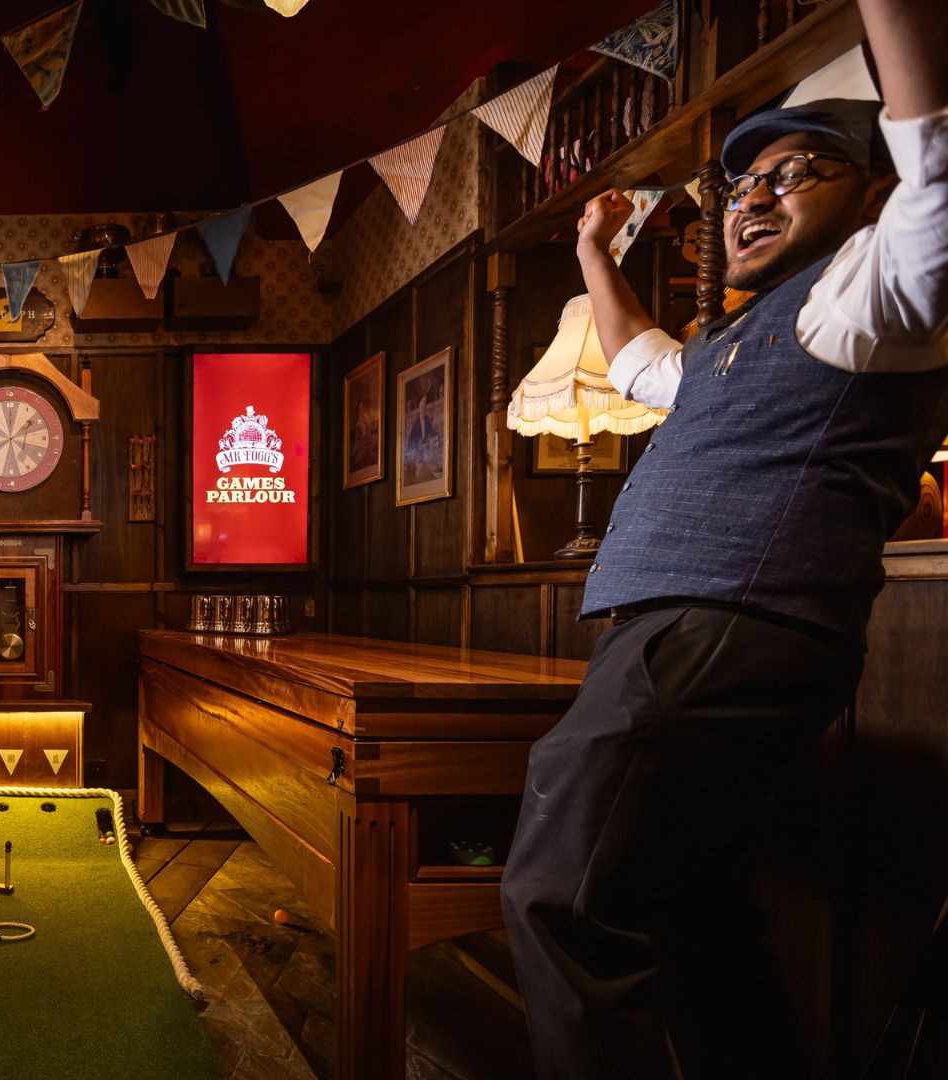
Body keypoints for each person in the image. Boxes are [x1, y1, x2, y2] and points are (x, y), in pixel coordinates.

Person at [500, 1, 948, 1076]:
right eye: (743, 185)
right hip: (688, 634)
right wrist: (591, 248)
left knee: (558, 894)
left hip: (722, 627)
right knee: (691, 911)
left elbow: (937, 169)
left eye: (795, 174)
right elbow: (643, 360)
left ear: (874, 194)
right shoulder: (738, 336)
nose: (752, 199)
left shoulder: (877, 297)